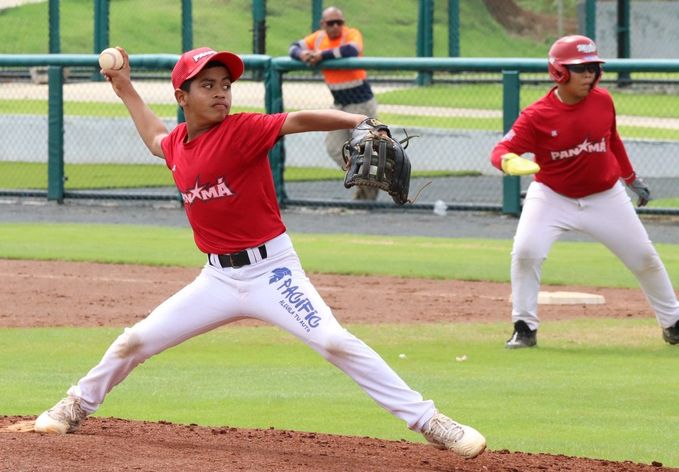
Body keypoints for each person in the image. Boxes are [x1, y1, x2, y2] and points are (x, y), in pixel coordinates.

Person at [34, 45, 486, 459]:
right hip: (216, 279)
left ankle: (431, 421)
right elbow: (156, 139)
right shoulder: (178, 145)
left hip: (273, 273)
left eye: (226, 85)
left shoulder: (242, 130)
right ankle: (76, 404)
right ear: (182, 97)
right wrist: (125, 88)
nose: (221, 93)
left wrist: (357, 122)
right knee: (135, 340)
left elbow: (298, 120)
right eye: (207, 85)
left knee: (333, 340)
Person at [490, 35, 679, 349]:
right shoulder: (537, 115)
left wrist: (631, 178)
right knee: (526, 251)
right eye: (580, 68)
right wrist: (508, 162)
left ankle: (673, 323)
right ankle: (524, 327)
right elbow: (501, 149)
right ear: (558, 72)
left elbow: (613, 140)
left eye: (593, 67)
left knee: (645, 258)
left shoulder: (603, 101)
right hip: (552, 195)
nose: (589, 74)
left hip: (606, 195)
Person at [289, 6, 379, 201]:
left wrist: (321, 55)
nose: (336, 26)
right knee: (334, 147)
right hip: (339, 103)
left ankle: (366, 201)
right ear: (323, 24)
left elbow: (352, 50)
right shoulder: (319, 38)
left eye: (339, 22)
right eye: (331, 23)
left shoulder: (351, 34)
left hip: (361, 101)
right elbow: (293, 47)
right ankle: (363, 181)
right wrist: (303, 55)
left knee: (365, 149)